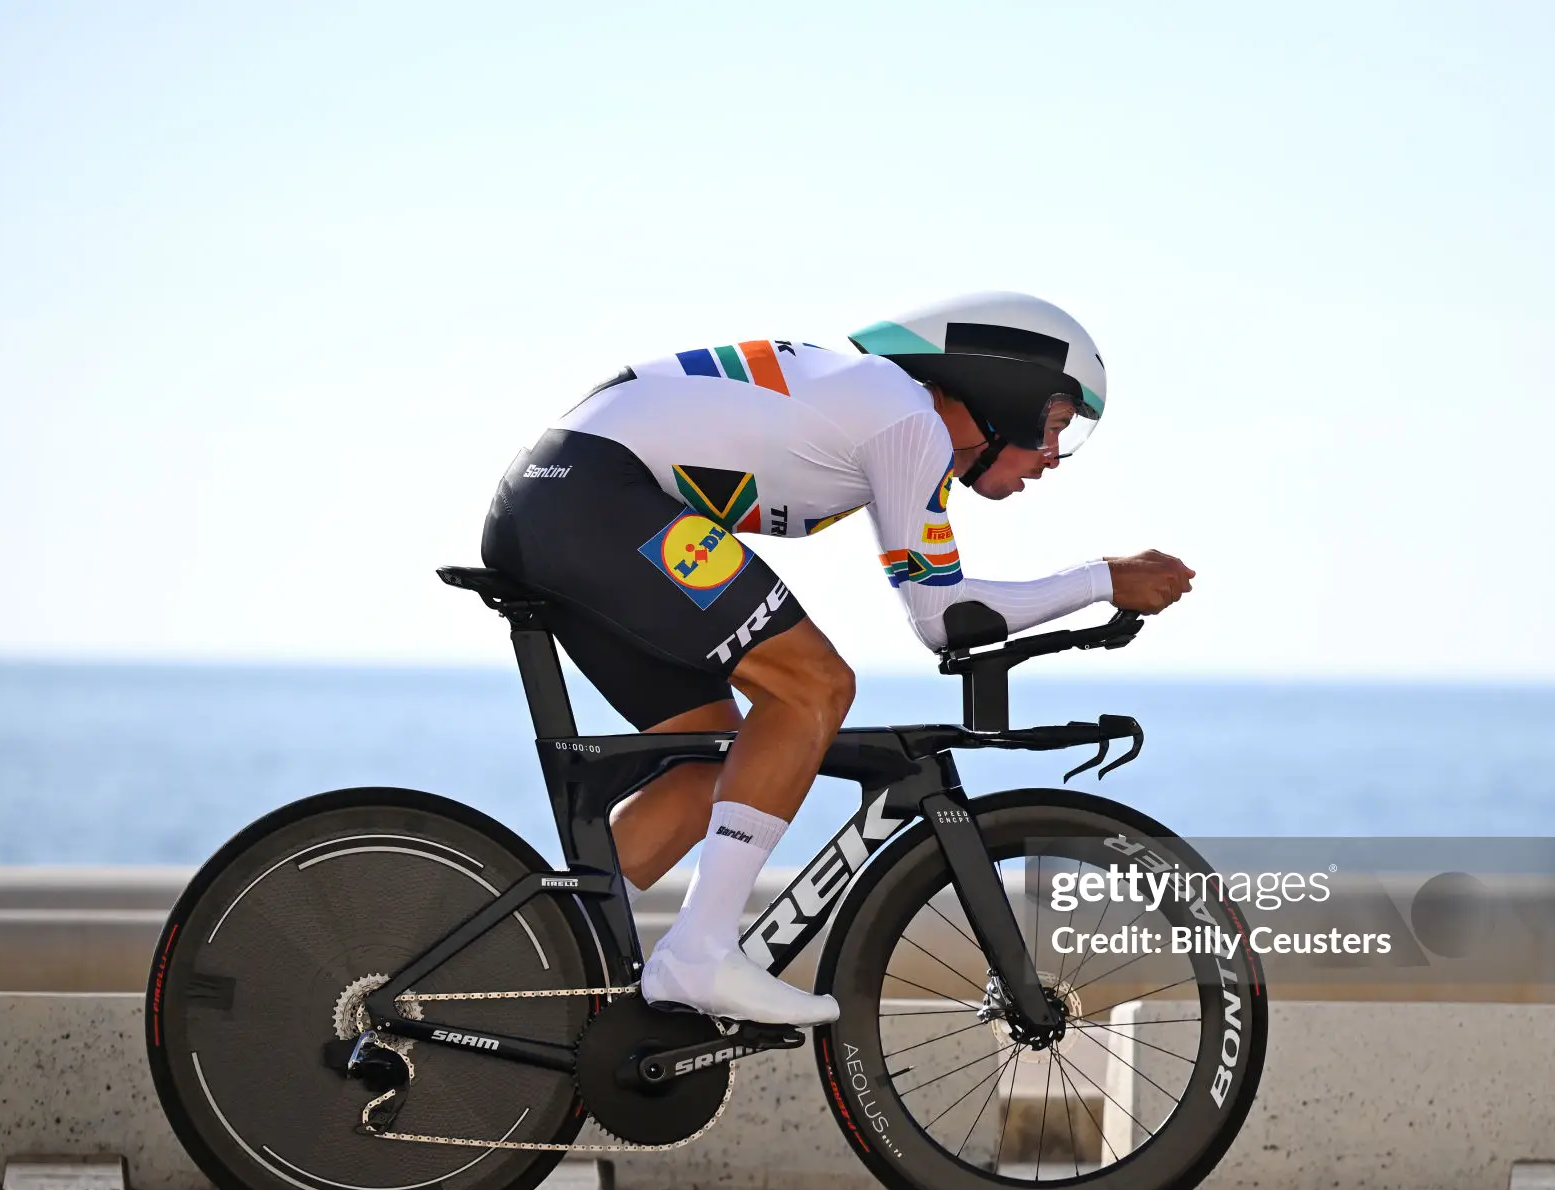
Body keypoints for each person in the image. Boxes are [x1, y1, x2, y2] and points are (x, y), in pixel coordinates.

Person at [480, 292, 1194, 1026]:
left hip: (560, 501)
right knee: (814, 686)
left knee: (709, 768)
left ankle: (515, 969)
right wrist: (1103, 579)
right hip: (591, 497)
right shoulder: (907, 418)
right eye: (1053, 427)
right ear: (1005, 393)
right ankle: (698, 954)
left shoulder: (888, 413)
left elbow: (944, 601)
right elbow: (942, 618)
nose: (1050, 459)